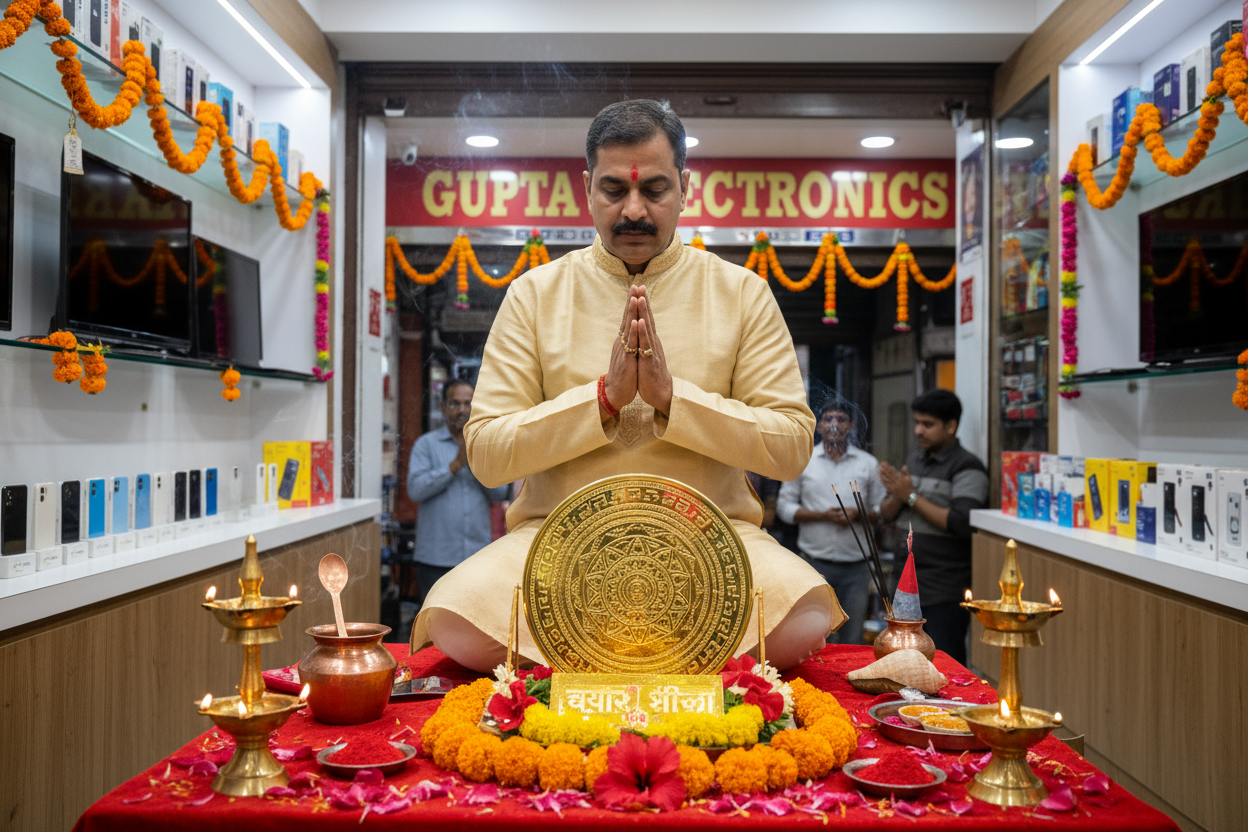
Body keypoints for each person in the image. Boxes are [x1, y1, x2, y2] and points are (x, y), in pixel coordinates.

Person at [411, 99, 843, 672]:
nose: (633, 210)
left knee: (804, 617)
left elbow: (790, 447)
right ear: (586, 187)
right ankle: (670, 666)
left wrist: (673, 400)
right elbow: (487, 454)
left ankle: (592, 667)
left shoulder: (741, 293)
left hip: (712, 545)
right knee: (454, 621)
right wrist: (602, 400)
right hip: (557, 549)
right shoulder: (535, 295)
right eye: (614, 190)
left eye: (655, 190)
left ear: (685, 187)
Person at [877, 389, 988, 665]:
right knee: (900, 662)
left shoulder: (968, 467)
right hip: (904, 586)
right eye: (917, 422)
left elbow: (961, 523)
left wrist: (911, 496)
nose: (918, 430)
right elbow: (887, 513)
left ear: (950, 426)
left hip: (942, 590)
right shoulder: (915, 460)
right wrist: (896, 492)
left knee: (942, 663)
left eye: (927, 424)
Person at [776, 398, 884, 646]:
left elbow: (881, 511)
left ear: (851, 426)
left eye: (841, 419)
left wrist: (859, 515)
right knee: (813, 637)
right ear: (819, 426)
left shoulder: (867, 464)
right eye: (828, 419)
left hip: (857, 567)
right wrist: (822, 516)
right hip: (813, 564)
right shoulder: (804, 460)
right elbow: (784, 508)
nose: (834, 424)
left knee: (852, 637)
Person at [406, 380, 510, 612]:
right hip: (435, 557)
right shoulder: (426, 445)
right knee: (434, 626)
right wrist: (454, 466)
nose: (462, 409)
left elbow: (501, 493)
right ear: (443, 407)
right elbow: (415, 489)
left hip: (477, 556)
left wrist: (474, 464)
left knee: (474, 622)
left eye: (467, 403)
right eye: (454, 403)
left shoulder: (485, 446)